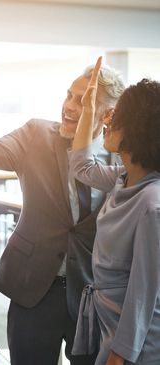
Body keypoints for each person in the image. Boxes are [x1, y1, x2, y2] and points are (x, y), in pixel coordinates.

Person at [0, 37, 125, 365]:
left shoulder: (124, 157)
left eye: (83, 100)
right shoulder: (35, 134)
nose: (70, 106)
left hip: (92, 295)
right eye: (69, 96)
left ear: (108, 115)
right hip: (33, 289)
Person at [70, 58, 160, 365]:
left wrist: (121, 353)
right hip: (109, 325)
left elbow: (144, 291)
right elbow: (81, 165)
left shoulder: (151, 203)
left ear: (137, 129)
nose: (107, 122)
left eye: (116, 118)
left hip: (135, 343)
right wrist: (87, 110)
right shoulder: (123, 177)